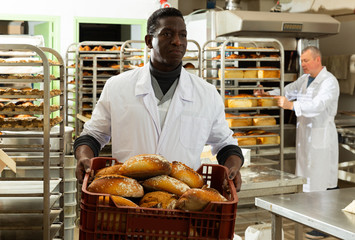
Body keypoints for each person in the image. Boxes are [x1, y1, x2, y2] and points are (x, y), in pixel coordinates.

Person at [74, 7, 244, 192]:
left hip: (183, 200)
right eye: (167, 34)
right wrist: (83, 157)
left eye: (183, 35)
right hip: (128, 198)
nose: (177, 41)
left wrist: (233, 167)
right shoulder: (118, 86)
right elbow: (93, 135)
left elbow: (225, 144)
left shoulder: (207, 94)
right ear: (149, 41)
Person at [255, 46, 339, 239]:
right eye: (301, 61)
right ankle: (310, 220)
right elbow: (287, 91)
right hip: (305, 137)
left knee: (320, 182)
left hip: (321, 138)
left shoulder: (329, 82)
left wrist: (292, 105)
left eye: (306, 60)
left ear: (318, 60)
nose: (303, 64)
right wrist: (267, 93)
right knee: (307, 181)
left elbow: (319, 106)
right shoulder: (304, 80)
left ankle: (323, 226)